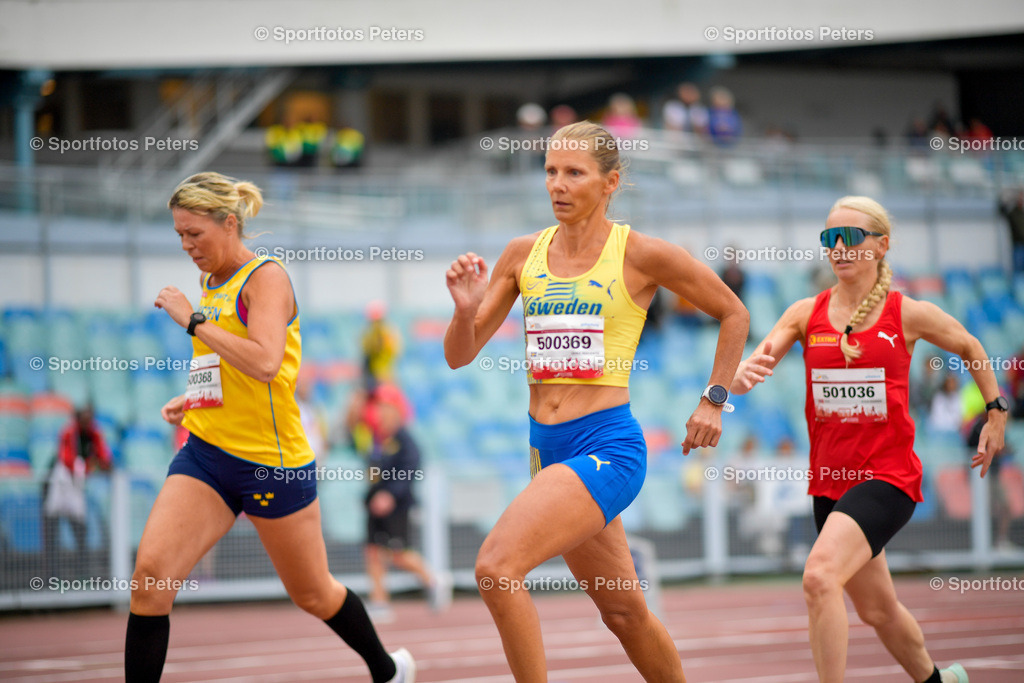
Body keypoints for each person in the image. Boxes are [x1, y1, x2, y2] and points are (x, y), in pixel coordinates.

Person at [444, 121, 748, 681]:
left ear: (610, 183)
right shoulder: (521, 254)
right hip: (546, 452)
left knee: (496, 568)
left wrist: (713, 400)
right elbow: (459, 355)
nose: (558, 185)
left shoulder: (640, 254)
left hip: (606, 446)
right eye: (550, 172)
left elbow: (734, 312)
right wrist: (465, 312)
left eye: (574, 173)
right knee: (625, 612)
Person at [125, 172, 414, 683]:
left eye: (195, 233)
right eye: (179, 236)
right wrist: (191, 397)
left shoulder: (266, 278)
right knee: (150, 580)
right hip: (207, 454)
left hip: (271, 466)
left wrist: (192, 321)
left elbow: (264, 363)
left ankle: (387, 669)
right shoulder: (208, 283)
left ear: (229, 223)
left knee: (313, 594)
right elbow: (224, 366)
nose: (187, 245)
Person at [731, 195, 1007, 683]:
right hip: (830, 485)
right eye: (828, 239)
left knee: (818, 578)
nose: (838, 248)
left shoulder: (906, 314)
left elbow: (969, 344)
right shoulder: (803, 313)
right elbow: (757, 361)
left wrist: (995, 412)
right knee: (879, 610)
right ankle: (939, 681)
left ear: (880, 245)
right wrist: (738, 374)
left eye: (850, 238)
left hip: (887, 480)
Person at [344, 384, 434, 618]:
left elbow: (411, 468)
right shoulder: (375, 437)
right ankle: (380, 601)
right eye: (378, 406)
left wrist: (391, 495)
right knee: (373, 551)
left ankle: (432, 581)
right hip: (375, 504)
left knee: (399, 554)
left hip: (397, 506)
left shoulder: (404, 439)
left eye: (385, 406)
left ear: (397, 409)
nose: (380, 411)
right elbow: (351, 428)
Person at [42, 404, 112, 578]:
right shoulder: (68, 432)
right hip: (57, 485)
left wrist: (102, 464)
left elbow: (104, 459)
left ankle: (82, 574)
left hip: (75, 487)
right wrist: (87, 466)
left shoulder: (93, 434)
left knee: (80, 530)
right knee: (51, 531)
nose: (88, 422)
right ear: (78, 418)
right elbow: (67, 459)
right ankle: (52, 576)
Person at [361, 300, 402, 389]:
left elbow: (393, 351)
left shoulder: (385, 332)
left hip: (382, 375)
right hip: (376, 375)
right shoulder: (372, 333)